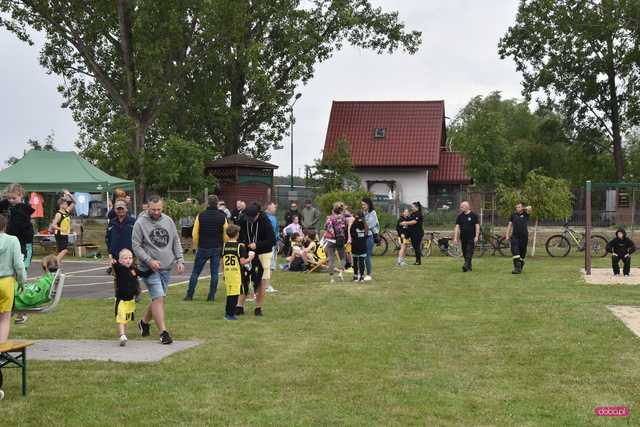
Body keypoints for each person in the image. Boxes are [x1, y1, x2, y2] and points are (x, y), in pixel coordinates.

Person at [132, 196, 185, 344]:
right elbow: (136, 246)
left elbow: (175, 240)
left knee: (158, 298)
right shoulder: (140, 223)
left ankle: (143, 322)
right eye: (153, 209)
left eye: (159, 209)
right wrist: (149, 260)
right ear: (147, 207)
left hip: (166, 267)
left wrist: (180, 259)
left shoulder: (168, 221)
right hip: (148, 269)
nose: (156, 212)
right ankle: (163, 332)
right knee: (159, 298)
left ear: (162, 207)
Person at [184, 195, 227, 301]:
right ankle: (211, 296)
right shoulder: (222, 217)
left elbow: (194, 233)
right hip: (216, 247)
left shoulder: (201, 215)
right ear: (217, 204)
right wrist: (223, 244)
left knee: (195, 272)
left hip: (203, 247)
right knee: (214, 273)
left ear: (207, 203)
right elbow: (226, 234)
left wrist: (198, 244)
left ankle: (189, 295)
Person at [237, 204, 275, 316]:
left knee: (261, 281)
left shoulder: (266, 222)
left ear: (258, 215)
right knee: (244, 279)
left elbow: (271, 241)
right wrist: (243, 244)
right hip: (247, 252)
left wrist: (257, 245)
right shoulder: (243, 220)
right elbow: (239, 235)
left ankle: (258, 308)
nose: (250, 220)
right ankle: (239, 306)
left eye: (252, 218)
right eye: (248, 218)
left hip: (263, 253)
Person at [113, 249, 153, 346]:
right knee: (121, 318)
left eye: (130, 258)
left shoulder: (133, 269)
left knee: (126, 319)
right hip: (121, 300)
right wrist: (113, 262)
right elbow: (115, 266)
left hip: (130, 300)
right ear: (120, 260)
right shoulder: (120, 269)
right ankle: (122, 335)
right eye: (125, 258)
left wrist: (152, 270)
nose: (128, 260)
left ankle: (123, 335)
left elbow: (143, 274)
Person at [0, 215, 26, 344]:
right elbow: (19, 265)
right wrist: (22, 281)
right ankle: (1, 349)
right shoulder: (12, 240)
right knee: (4, 318)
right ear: (5, 226)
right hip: (6, 281)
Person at [13, 255, 59, 325]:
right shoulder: (48, 279)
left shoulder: (44, 281)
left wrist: (19, 292)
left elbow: (31, 298)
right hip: (21, 297)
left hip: (19, 299)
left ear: (45, 267)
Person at [222, 225, 255, 320]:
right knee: (235, 294)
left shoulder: (225, 246)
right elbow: (243, 262)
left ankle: (227, 313)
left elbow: (222, 261)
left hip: (228, 272)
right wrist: (250, 258)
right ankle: (230, 314)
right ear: (237, 234)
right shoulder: (239, 246)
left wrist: (223, 272)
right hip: (236, 273)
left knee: (229, 293)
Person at [0, 183, 35, 272]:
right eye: (9, 198)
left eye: (14, 198)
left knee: (22, 267)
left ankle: (21, 282)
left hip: (24, 243)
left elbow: (15, 228)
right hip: (12, 241)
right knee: (10, 267)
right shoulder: (8, 205)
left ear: (21, 195)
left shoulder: (22, 210)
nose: (11, 200)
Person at [106, 200, 135, 273]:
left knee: (132, 277)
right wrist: (110, 252)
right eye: (118, 209)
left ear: (126, 209)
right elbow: (108, 238)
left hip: (130, 256)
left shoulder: (133, 222)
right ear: (115, 210)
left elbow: (138, 237)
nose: (120, 210)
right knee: (118, 279)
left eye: (122, 208)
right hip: (116, 256)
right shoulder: (112, 222)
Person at [505, 202, 533, 274]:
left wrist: (523, 208)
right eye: (516, 207)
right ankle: (517, 268)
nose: (517, 208)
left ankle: (520, 264)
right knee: (515, 251)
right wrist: (507, 234)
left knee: (522, 253)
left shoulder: (526, 214)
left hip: (524, 237)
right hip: (515, 237)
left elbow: (530, 208)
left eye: (519, 207)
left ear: (522, 207)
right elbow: (510, 225)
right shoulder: (513, 215)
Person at [324, 202, 347, 283]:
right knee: (343, 257)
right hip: (340, 239)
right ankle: (340, 272)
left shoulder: (329, 218)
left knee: (331, 259)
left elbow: (326, 227)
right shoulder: (343, 218)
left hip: (330, 240)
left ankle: (332, 278)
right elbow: (345, 228)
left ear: (333, 210)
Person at [454, 201, 480, 272]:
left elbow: (477, 226)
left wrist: (476, 236)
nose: (461, 208)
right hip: (463, 238)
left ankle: (465, 265)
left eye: (462, 206)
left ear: (467, 207)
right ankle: (469, 267)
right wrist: (456, 238)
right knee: (465, 252)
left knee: (469, 251)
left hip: (471, 237)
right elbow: (457, 227)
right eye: (461, 206)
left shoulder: (473, 215)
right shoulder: (460, 216)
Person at [361, 197, 379, 280]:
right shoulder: (363, 212)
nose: (363, 206)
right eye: (362, 205)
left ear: (368, 204)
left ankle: (369, 275)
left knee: (367, 256)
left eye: (364, 204)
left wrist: (361, 223)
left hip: (369, 236)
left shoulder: (373, 213)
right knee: (361, 255)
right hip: (362, 236)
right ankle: (361, 273)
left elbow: (370, 224)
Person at [52, 198, 74, 262]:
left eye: (67, 204)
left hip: (65, 234)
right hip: (59, 234)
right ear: (61, 205)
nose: (67, 205)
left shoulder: (66, 212)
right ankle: (54, 262)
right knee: (64, 250)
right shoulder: (58, 214)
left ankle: (56, 269)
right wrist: (61, 229)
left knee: (61, 252)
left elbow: (74, 202)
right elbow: (53, 225)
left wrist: (69, 194)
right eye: (65, 204)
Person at [349, 211, 368, 282]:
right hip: (363, 245)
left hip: (355, 245)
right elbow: (366, 235)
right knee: (362, 262)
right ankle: (362, 277)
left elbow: (352, 233)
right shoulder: (365, 224)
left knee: (355, 261)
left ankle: (355, 276)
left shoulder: (354, 224)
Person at [264, 202, 279, 292]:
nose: (275, 209)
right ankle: (267, 286)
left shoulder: (261, 216)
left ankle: (263, 285)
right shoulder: (271, 218)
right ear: (269, 207)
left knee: (264, 265)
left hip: (263, 244)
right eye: (274, 207)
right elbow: (273, 232)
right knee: (270, 266)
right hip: (270, 244)